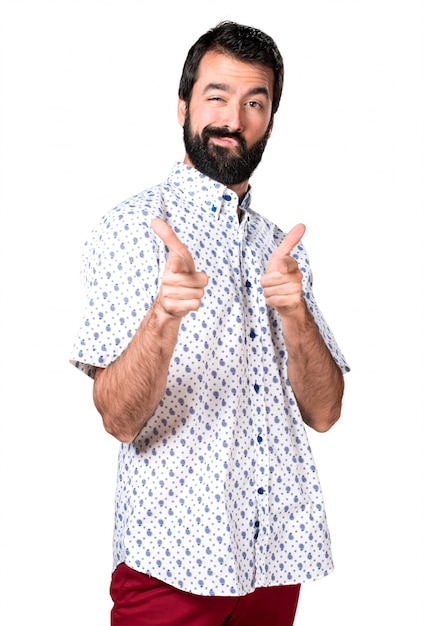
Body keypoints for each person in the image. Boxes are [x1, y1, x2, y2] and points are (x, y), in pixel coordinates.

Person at [70, 20, 350, 626]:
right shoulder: (132, 229)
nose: (234, 118)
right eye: (217, 96)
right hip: (170, 569)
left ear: (271, 119)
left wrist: (296, 315)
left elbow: (325, 413)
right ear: (183, 106)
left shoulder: (285, 249)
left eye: (256, 102)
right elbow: (117, 419)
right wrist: (162, 319)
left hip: (275, 557)